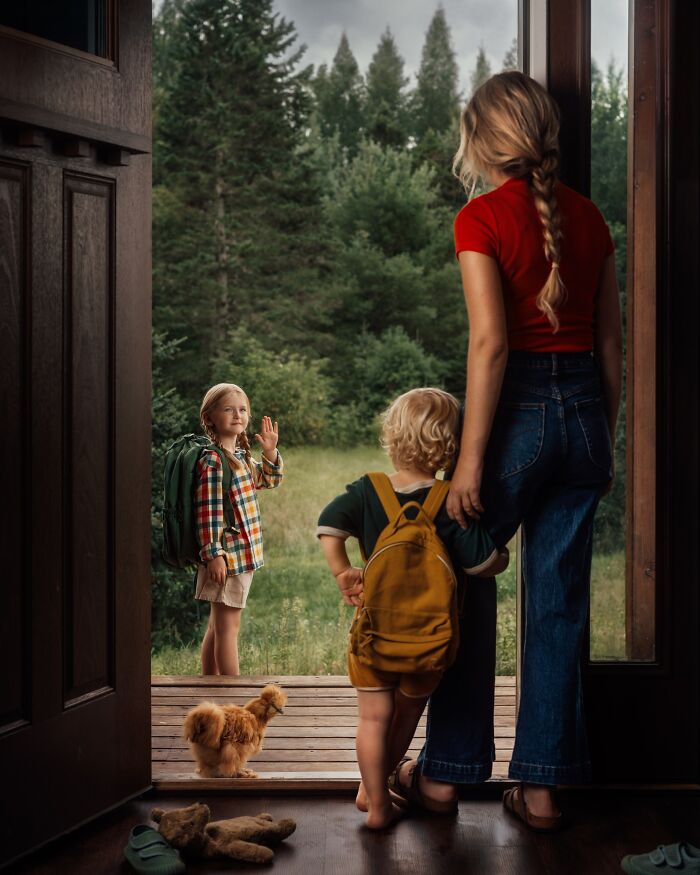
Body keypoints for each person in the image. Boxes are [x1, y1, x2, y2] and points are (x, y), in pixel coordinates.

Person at [391, 71, 622, 831]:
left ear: (483, 140)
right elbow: (611, 342)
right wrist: (603, 432)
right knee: (557, 605)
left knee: (462, 575)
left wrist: (467, 463)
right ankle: (543, 786)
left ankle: (446, 774)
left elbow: (491, 345)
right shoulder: (589, 220)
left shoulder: (481, 217)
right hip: (586, 409)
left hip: (516, 412)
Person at [316, 388, 509, 829]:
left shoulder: (369, 491)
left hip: (375, 635)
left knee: (372, 717)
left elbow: (328, 525)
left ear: (392, 436)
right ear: (452, 447)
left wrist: (343, 571)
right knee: (403, 718)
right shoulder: (448, 501)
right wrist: (503, 555)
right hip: (430, 644)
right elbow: (484, 564)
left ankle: (376, 804)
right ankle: (378, 784)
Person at [195, 382, 284, 676]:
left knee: (217, 625)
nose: (238, 415)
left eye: (243, 409)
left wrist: (269, 452)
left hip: (240, 556)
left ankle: (208, 685)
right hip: (227, 558)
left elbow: (268, 481)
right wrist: (214, 555)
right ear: (209, 417)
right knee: (228, 628)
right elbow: (208, 511)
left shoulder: (241, 457)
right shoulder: (214, 460)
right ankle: (232, 696)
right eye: (229, 409)